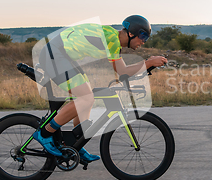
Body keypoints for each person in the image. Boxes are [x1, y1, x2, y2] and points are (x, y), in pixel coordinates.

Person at [33, 15, 168, 162]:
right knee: (86, 98)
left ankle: (74, 145)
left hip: (62, 56)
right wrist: (148, 63)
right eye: (143, 36)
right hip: (55, 55)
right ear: (131, 33)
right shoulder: (112, 40)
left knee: (86, 97)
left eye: (146, 38)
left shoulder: (112, 38)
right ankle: (45, 133)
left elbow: (122, 72)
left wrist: (147, 65)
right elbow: (123, 71)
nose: (143, 41)